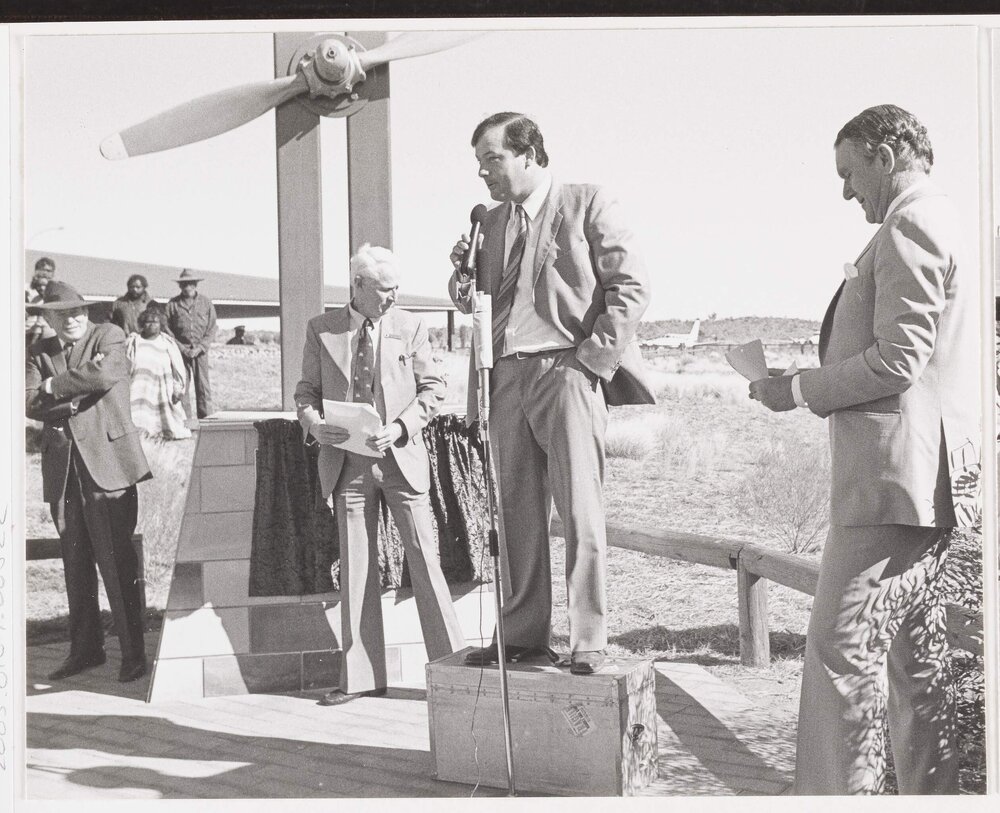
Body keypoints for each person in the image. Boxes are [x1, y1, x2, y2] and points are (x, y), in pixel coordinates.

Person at [749, 104, 980, 795]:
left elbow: (898, 360)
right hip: (920, 482)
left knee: (837, 653)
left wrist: (797, 388)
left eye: (850, 172)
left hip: (891, 482)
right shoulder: (940, 217)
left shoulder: (908, 222)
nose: (846, 191)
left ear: (886, 153)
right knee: (917, 664)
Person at [447, 112, 654, 675]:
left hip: (566, 372)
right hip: (506, 378)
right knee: (514, 511)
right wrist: (461, 282)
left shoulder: (586, 203)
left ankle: (589, 639)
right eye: (480, 163)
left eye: (493, 158)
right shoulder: (490, 223)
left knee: (580, 509)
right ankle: (522, 636)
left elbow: (630, 287)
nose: (484, 173)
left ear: (530, 155)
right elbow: (481, 299)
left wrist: (590, 361)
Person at [294, 244, 465, 706]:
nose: (392, 298)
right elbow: (305, 393)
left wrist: (401, 426)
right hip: (346, 466)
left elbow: (433, 388)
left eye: (396, 290)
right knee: (356, 570)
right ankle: (361, 677)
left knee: (425, 562)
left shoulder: (410, 327)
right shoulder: (321, 330)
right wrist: (315, 425)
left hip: (401, 460)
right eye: (384, 290)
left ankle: (453, 675)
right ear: (358, 287)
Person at [25, 280, 152, 683]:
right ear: (48, 318)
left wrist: (54, 387)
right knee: (76, 566)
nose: (72, 319)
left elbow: (106, 373)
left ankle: (134, 654)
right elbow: (28, 401)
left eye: (78, 311)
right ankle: (85, 651)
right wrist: (71, 396)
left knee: (117, 562)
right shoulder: (37, 352)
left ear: (88, 312)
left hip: (108, 466)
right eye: (62, 313)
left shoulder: (109, 335)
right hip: (63, 473)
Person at [125, 307, 191, 440]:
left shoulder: (167, 343)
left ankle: (163, 432)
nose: (152, 325)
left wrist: (178, 389)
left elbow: (177, 368)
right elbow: (125, 363)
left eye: (155, 322)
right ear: (142, 323)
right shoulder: (133, 341)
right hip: (138, 387)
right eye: (148, 321)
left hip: (162, 387)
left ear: (161, 324)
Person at [165, 268, 216, 419]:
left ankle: (206, 421)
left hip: (200, 352)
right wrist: (181, 348)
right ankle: (186, 423)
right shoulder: (172, 304)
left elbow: (212, 327)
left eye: (191, 284)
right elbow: (167, 329)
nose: (188, 287)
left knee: (203, 388)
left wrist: (200, 347)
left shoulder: (206, 303)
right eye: (184, 284)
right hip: (180, 352)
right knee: (182, 387)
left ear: (196, 285)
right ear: (180, 286)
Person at [25, 256, 56, 346]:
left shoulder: (52, 291)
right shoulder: (26, 289)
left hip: (43, 332)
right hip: (26, 331)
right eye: (43, 269)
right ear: (36, 271)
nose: (45, 273)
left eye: (49, 271)